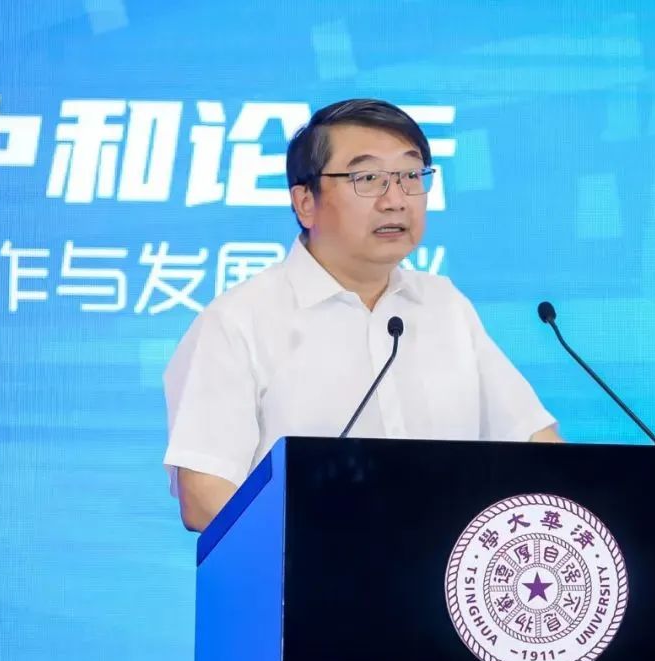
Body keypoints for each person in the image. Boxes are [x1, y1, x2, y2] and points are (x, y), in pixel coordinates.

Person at [163, 98, 561, 532]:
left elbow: (536, 444)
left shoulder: (444, 305)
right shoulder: (239, 320)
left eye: (411, 176)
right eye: (368, 179)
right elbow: (204, 495)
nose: (396, 200)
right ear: (305, 202)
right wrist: (324, 546)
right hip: (315, 571)